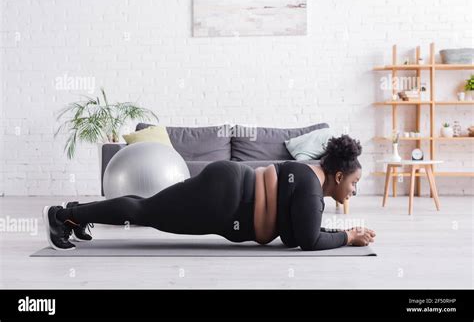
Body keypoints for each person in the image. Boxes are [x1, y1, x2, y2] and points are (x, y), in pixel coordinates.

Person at [43, 134, 376, 251]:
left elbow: (300, 231)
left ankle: (77, 212)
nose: (355, 190)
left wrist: (343, 234)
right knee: (144, 212)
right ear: (338, 174)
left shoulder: (310, 184)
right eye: (354, 182)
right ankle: (64, 216)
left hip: (227, 191)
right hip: (224, 200)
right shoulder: (310, 188)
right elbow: (308, 240)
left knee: (146, 209)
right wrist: (347, 237)